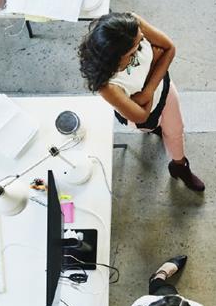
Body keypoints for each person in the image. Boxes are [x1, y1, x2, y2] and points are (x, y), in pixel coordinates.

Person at [78, 12, 205, 192]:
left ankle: (179, 166)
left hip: (164, 89)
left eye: (142, 40)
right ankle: (158, 130)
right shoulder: (107, 86)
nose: (142, 45)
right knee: (155, 126)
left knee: (176, 131)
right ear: (116, 57)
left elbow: (169, 48)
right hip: (148, 114)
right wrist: (154, 64)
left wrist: (145, 95)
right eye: (134, 50)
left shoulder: (131, 25)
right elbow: (141, 115)